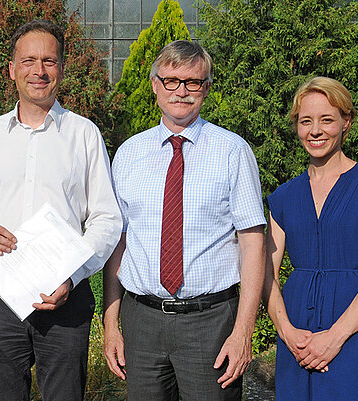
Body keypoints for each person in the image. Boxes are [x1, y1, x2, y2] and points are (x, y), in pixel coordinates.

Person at [0, 19, 122, 401]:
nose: (39, 71)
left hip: (65, 295)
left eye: (49, 61)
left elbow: (106, 218)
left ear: (61, 69)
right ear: (12, 69)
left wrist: (73, 274)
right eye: (29, 60)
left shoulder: (84, 135)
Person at [102, 40, 266, 400]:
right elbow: (119, 241)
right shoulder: (129, 153)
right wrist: (111, 323)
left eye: (193, 82)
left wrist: (243, 333)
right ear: (155, 84)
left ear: (206, 89)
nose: (181, 91)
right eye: (172, 80)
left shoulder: (232, 151)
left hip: (209, 323)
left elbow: (253, 243)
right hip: (141, 321)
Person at [263, 76, 358, 399]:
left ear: (346, 122)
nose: (315, 131)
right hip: (297, 336)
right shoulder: (283, 197)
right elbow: (265, 271)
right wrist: (286, 331)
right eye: (305, 121)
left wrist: (334, 337)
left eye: (327, 120)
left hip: (354, 331)